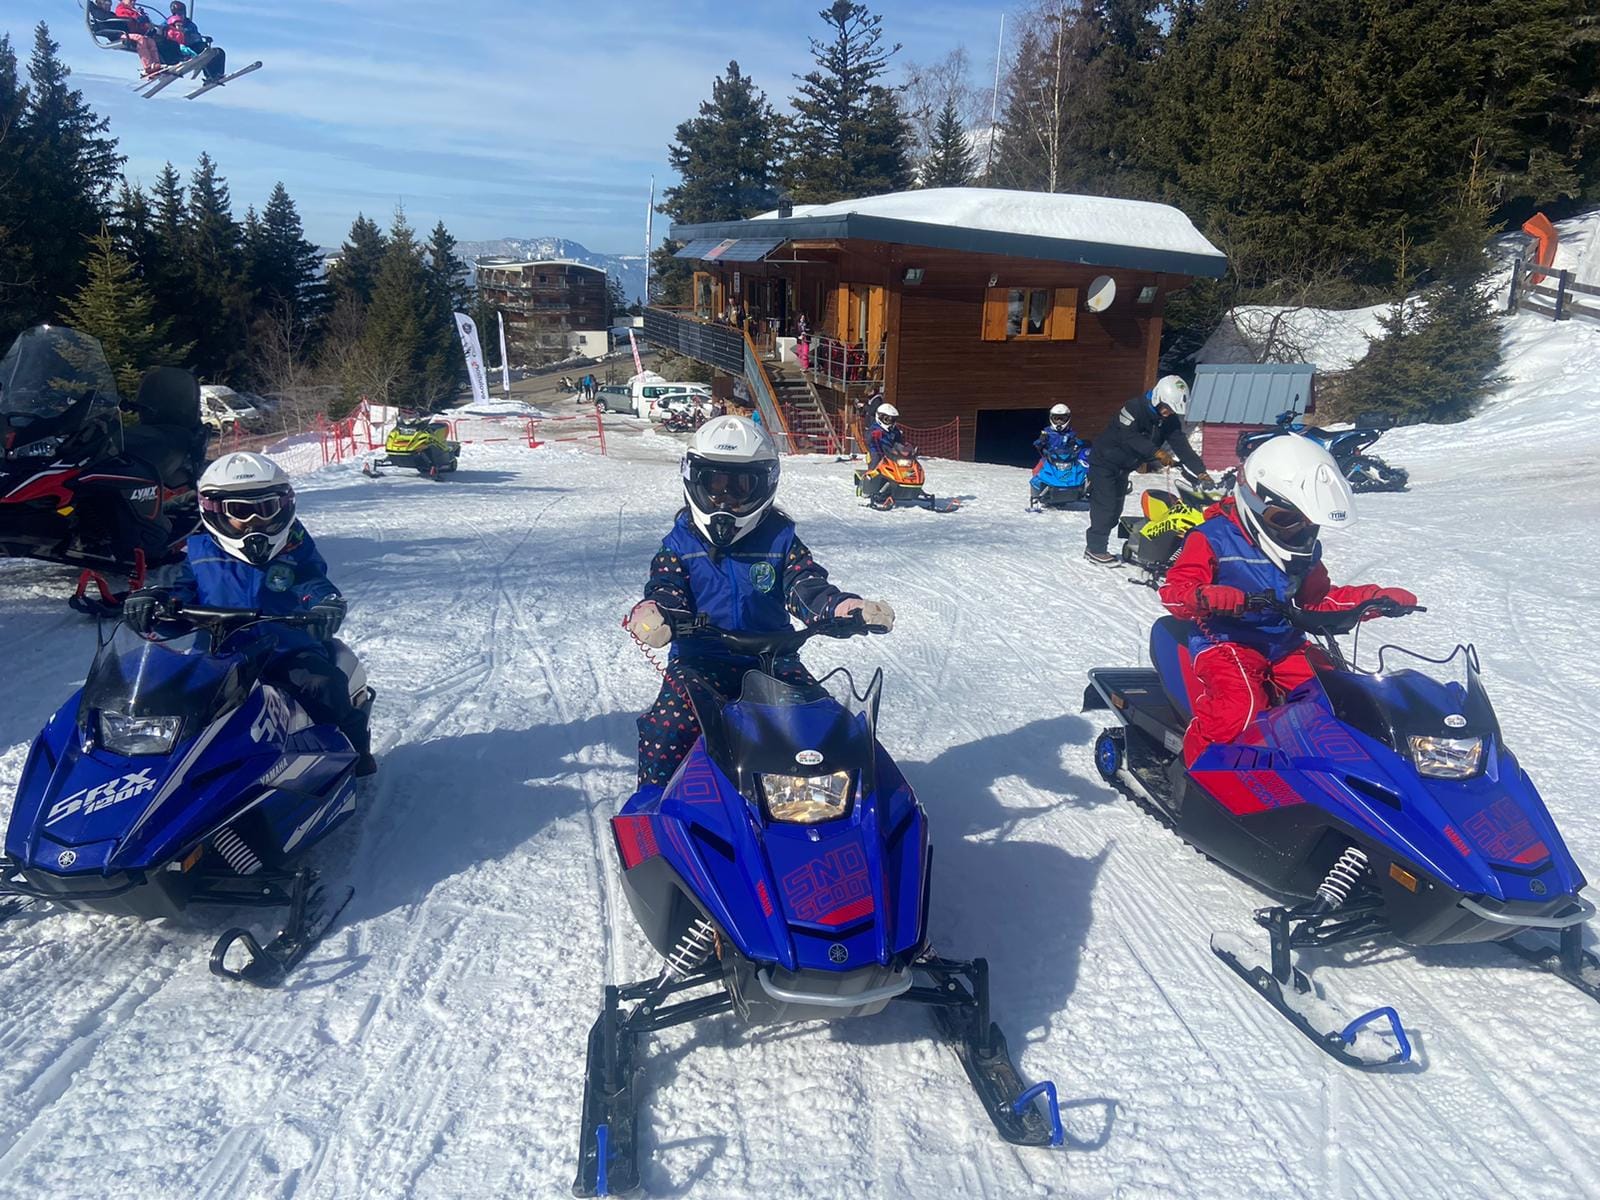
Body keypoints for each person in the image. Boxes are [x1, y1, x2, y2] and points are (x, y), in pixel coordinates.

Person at [623, 416, 894, 787]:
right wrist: (659, 613)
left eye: (740, 488)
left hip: (773, 660)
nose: (725, 499)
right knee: (668, 727)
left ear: (764, 486)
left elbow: (805, 585)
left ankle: (865, 803)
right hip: (700, 662)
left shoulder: (779, 541)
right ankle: (652, 801)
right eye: (714, 485)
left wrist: (845, 608)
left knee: (827, 723)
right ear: (693, 481)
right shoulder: (678, 545)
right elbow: (666, 587)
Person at [1158, 435, 1417, 766]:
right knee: (1240, 709)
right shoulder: (1212, 538)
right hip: (1225, 642)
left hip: (1284, 643)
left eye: (1308, 523)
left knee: (1340, 695)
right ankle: (1196, 773)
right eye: (1287, 520)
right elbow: (1174, 593)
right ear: (1256, 502)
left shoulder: (1303, 551)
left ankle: (1327, 773)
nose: (1299, 532)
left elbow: (1317, 600)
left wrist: (1373, 599)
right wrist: (1207, 596)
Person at [122, 452, 376, 776]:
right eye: (241, 511)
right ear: (215, 511)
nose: (255, 521)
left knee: (323, 686)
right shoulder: (200, 551)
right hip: (218, 656)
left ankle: (355, 751)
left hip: (285, 651)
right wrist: (157, 605)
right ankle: (168, 774)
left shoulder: (294, 547)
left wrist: (324, 604)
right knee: (172, 702)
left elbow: (312, 581)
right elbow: (182, 592)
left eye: (266, 509)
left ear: (283, 507)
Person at [1084, 375, 1213, 566]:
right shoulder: (1133, 408)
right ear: (1158, 398)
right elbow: (1128, 437)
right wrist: (1156, 452)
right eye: (1167, 408)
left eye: (1172, 410)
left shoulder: (1168, 420)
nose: (1168, 413)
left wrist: (1200, 471)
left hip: (1124, 467)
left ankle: (1121, 543)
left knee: (1115, 509)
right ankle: (1095, 549)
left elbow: (1181, 445)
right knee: (1105, 507)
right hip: (1104, 462)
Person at [1029, 402, 1083, 510]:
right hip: (1049, 458)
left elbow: (1078, 442)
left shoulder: (1070, 433)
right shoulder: (1047, 432)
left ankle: (1079, 490)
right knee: (1037, 470)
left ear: (1067, 419)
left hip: (1067, 459)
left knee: (1081, 470)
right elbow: (1037, 444)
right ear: (1051, 418)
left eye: (1062, 419)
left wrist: (1077, 444)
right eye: (1056, 418)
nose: (1059, 421)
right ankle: (1036, 495)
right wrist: (1041, 442)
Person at [861, 403, 915, 510]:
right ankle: (869, 487)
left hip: (891, 452)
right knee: (876, 460)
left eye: (893, 419)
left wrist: (905, 446)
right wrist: (873, 435)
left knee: (906, 463)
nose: (890, 422)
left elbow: (899, 440)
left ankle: (910, 483)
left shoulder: (894, 430)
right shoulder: (875, 427)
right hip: (877, 451)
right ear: (880, 417)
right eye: (888, 419)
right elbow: (867, 437)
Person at [165, 1, 225, 81]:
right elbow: (162, 32)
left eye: (182, 11)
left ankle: (216, 74)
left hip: (193, 45)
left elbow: (197, 36)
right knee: (204, 51)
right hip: (179, 49)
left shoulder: (189, 24)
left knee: (218, 52)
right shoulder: (168, 23)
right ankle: (210, 75)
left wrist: (201, 38)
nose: (180, 14)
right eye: (177, 12)